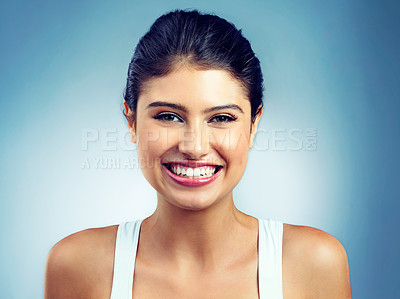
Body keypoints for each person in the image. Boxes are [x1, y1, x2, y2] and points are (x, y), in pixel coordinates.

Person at [44, 9, 351, 298]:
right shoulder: (76, 266)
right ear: (132, 121)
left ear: (254, 124)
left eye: (221, 118)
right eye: (168, 116)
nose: (195, 147)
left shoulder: (315, 264)